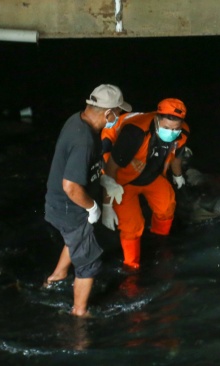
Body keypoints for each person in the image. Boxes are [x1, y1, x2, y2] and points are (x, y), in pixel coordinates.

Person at [43, 84, 131, 317]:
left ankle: (57, 275)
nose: (118, 117)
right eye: (118, 113)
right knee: (89, 261)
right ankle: (79, 312)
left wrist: (102, 183)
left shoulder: (78, 120)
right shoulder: (84, 141)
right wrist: (91, 207)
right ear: (108, 113)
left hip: (62, 204)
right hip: (70, 206)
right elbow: (70, 186)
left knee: (77, 237)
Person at [100, 98, 190, 271]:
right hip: (123, 181)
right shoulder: (134, 132)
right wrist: (106, 205)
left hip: (152, 176)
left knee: (167, 205)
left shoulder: (183, 132)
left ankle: (160, 242)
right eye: (167, 128)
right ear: (157, 118)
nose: (171, 132)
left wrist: (178, 177)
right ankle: (131, 267)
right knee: (132, 226)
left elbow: (177, 155)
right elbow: (111, 168)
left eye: (175, 129)